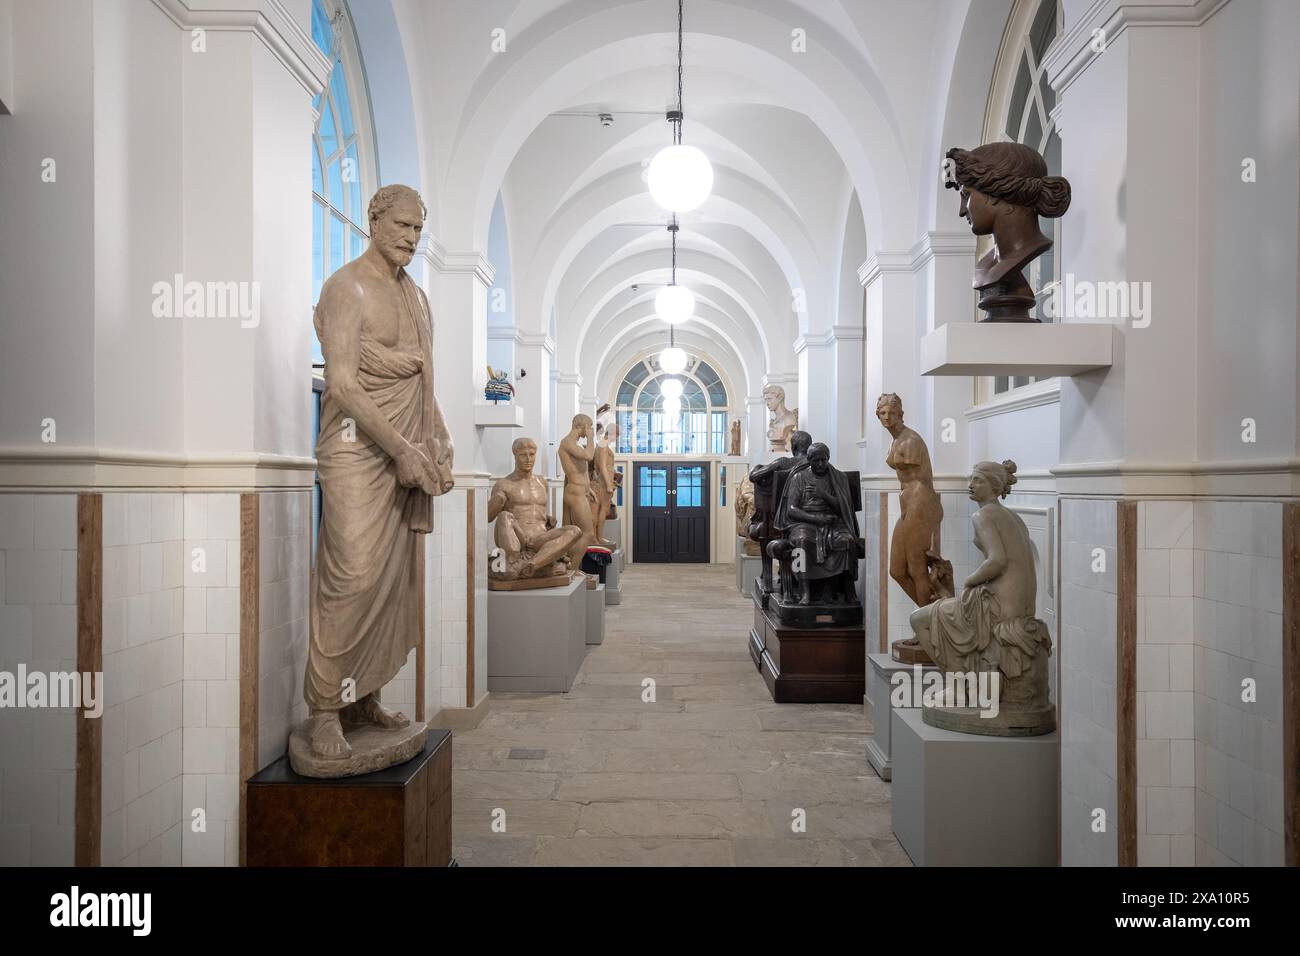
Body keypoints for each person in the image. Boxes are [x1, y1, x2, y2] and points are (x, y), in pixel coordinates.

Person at [305, 184, 454, 761]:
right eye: (402, 226)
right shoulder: (347, 287)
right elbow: (341, 383)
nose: (412, 239)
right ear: (374, 220)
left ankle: (361, 697)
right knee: (353, 576)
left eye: (418, 229)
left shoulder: (416, 298)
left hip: (405, 453)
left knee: (394, 586)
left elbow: (422, 380)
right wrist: (400, 449)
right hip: (355, 452)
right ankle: (323, 709)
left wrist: (436, 436)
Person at [772, 442, 861, 606]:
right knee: (801, 541)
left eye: (824, 460)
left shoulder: (837, 478)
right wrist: (815, 519)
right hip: (803, 522)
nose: (821, 464)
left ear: (828, 459)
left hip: (832, 522)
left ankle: (840, 590)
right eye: (816, 460)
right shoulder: (799, 478)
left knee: (846, 541)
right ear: (810, 460)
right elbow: (791, 509)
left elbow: (844, 508)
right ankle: (804, 590)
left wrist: (824, 495)